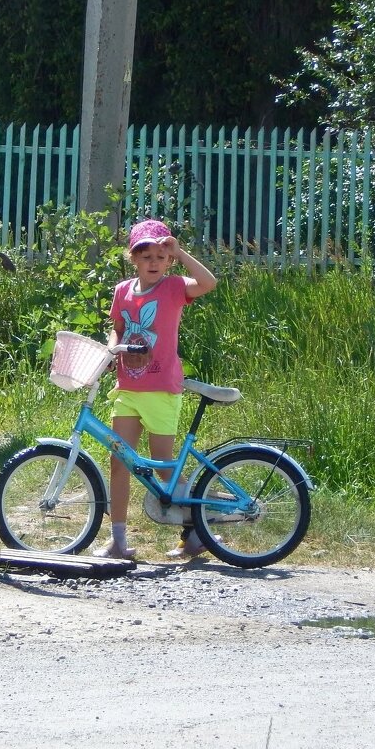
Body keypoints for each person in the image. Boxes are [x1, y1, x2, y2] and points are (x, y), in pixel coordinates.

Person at [92, 219, 217, 560]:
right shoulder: (122, 291)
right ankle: (118, 541)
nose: (153, 262)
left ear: (169, 261)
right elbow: (117, 329)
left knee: (164, 466)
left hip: (161, 387)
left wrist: (182, 251)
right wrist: (111, 349)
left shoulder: (175, 287)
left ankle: (197, 530)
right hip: (128, 387)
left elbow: (209, 283)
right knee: (120, 462)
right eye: (145, 255)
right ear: (133, 258)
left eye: (161, 256)